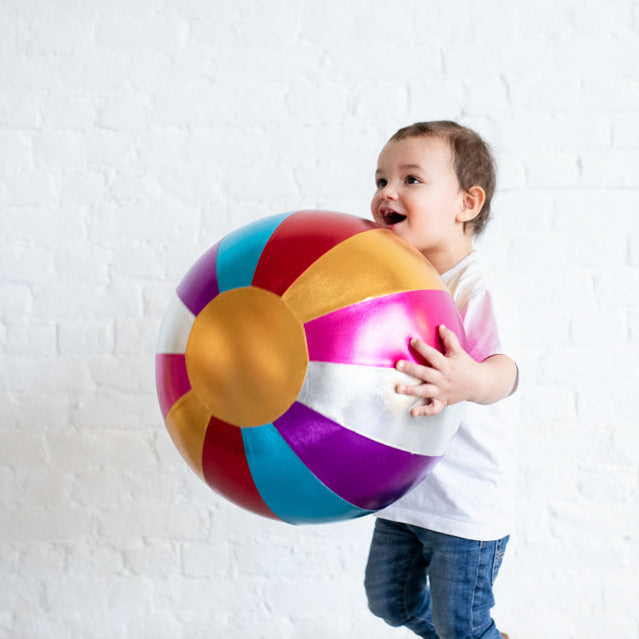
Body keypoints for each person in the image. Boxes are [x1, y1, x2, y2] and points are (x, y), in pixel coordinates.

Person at [364, 121, 519, 639]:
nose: (387, 191)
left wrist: (466, 380)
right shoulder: (393, 282)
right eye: (381, 179)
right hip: (406, 490)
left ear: (467, 204)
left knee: (464, 627)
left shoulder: (475, 286)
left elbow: (506, 372)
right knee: (389, 602)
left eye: (410, 180)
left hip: (464, 505)